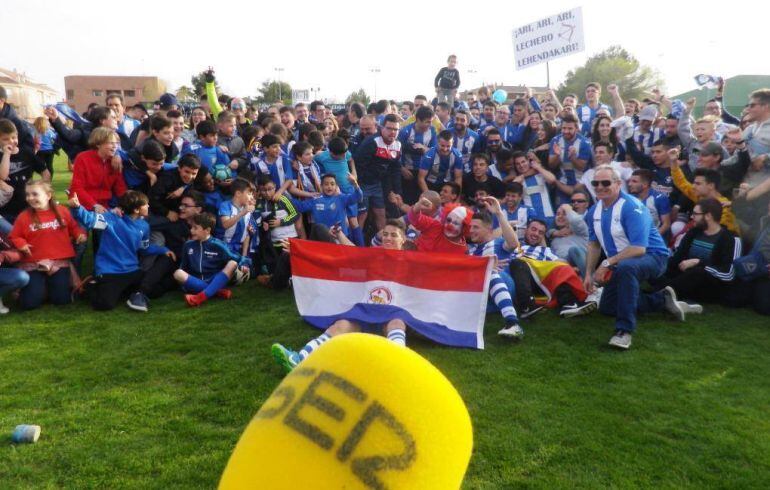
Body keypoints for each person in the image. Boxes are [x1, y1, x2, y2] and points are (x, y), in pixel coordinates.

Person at [271, 220, 411, 372]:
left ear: (403, 239)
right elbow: (349, 253)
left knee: (397, 323)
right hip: (366, 310)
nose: (388, 238)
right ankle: (299, 359)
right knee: (340, 326)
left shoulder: (412, 261)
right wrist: (300, 250)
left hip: (391, 312)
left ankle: (399, 363)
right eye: (385, 234)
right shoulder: (373, 255)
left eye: (393, 235)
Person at [583, 165, 691, 350]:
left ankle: (624, 331)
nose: (599, 186)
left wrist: (607, 263)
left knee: (627, 268)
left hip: (653, 256)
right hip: (621, 261)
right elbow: (594, 244)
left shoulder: (631, 207)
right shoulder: (594, 211)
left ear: (618, 184)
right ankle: (660, 300)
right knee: (607, 308)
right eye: (595, 183)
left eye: (605, 182)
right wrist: (588, 274)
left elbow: (639, 248)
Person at [69, 190, 174, 312]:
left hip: (132, 270)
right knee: (104, 305)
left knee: (154, 292)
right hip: (110, 271)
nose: (149, 206)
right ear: (136, 210)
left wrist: (162, 250)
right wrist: (77, 207)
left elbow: (143, 249)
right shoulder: (111, 219)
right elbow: (89, 219)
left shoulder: (144, 226)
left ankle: (124, 291)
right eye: (146, 204)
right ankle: (89, 285)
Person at [9, 180, 86, 310]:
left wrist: (80, 235)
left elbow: (74, 228)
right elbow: (14, 236)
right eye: (27, 195)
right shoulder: (24, 216)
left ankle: (47, 288)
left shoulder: (62, 211)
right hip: (33, 263)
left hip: (58, 262)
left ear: (48, 195)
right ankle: (38, 289)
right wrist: (21, 244)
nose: (30, 198)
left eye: (35, 194)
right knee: (29, 304)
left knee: (62, 300)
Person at [655, 198, 739, 305]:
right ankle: (665, 292)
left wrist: (699, 263)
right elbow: (677, 258)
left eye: (695, 214)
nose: (691, 217)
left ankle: (657, 295)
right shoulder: (693, 232)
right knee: (658, 266)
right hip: (685, 277)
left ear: (708, 216)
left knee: (697, 272)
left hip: (709, 286)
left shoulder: (729, 239)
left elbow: (728, 274)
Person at [507, 218, 596, 318]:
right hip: (517, 274)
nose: (536, 234)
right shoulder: (515, 245)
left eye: (540, 232)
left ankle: (569, 304)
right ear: (526, 230)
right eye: (533, 229)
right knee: (518, 262)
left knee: (561, 269)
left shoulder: (546, 251)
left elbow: (559, 262)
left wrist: (571, 268)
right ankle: (526, 306)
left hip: (537, 281)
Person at [466, 197, 524, 338]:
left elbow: (513, 243)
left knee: (489, 272)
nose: (471, 231)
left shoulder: (497, 243)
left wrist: (498, 213)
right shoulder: (470, 251)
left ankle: (513, 323)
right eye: (470, 227)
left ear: (489, 230)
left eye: (476, 227)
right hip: (485, 297)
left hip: (504, 283)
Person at [174, 212, 252, 307]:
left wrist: (245, 264)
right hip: (195, 282)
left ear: (207, 230)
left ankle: (199, 298)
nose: (191, 231)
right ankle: (216, 292)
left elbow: (239, 258)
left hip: (214, 280)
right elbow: (183, 267)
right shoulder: (188, 245)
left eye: (195, 228)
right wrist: (184, 283)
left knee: (232, 263)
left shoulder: (218, 245)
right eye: (192, 227)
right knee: (178, 273)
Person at [354, 114, 402, 231]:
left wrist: (396, 192)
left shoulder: (398, 145)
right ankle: (355, 245)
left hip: (378, 184)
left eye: (395, 129)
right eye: (389, 128)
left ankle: (383, 244)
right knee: (362, 216)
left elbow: (395, 170)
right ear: (382, 128)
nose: (392, 132)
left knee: (381, 213)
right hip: (362, 184)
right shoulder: (372, 142)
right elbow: (358, 165)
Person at [0, 119, 50, 228]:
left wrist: (41, 189)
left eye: (13, 137)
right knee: (10, 239)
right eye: (5, 139)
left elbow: (45, 172)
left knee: (30, 235)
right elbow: (3, 176)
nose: (11, 141)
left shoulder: (26, 153)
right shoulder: (1, 156)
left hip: (27, 205)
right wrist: (6, 155)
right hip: (5, 208)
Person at [68, 127, 125, 213]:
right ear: (98, 144)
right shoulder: (83, 158)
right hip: (83, 206)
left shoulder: (114, 161)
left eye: (116, 143)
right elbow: (77, 187)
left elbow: (120, 188)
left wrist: (124, 206)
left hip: (106, 206)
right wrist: (93, 205)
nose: (115, 146)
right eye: (111, 143)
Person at [215, 178, 255, 256]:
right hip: (223, 248)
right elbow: (225, 224)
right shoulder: (225, 206)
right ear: (238, 193)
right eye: (249, 193)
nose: (252, 197)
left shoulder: (247, 208)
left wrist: (244, 256)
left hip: (239, 249)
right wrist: (242, 213)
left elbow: (246, 234)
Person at [627, 169, 671, 238]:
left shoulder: (659, 198)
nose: (629, 184)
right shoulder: (629, 199)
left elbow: (666, 224)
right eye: (629, 181)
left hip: (655, 238)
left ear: (645, 184)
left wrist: (652, 239)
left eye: (634, 181)